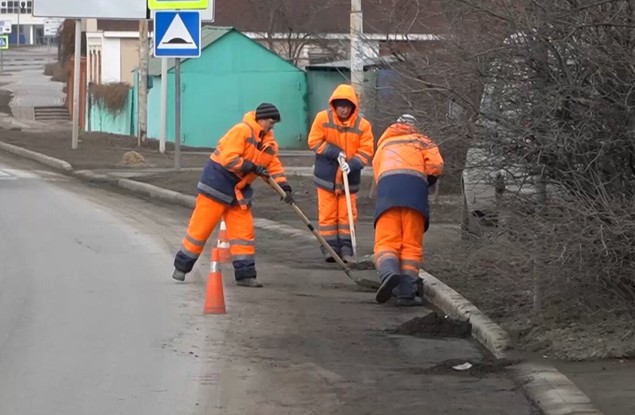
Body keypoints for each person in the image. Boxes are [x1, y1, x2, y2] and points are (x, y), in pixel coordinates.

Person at [171, 103, 294, 287]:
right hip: (217, 184)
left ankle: (245, 275)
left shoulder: (269, 144)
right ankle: (181, 267)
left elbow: (273, 166)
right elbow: (228, 158)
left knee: (243, 233)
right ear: (261, 119)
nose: (272, 126)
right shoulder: (241, 131)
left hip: (239, 191)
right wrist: (250, 166)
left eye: (274, 123)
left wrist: (285, 188)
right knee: (199, 229)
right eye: (271, 121)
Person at [372, 114, 444, 306]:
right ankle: (406, 294)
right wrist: (426, 183)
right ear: (415, 127)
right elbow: (436, 166)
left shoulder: (384, 145)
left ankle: (388, 273)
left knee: (387, 241)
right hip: (414, 196)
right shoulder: (423, 141)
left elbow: (377, 172)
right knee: (410, 246)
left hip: (388, 196)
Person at [307, 84, 374, 263]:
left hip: (349, 178)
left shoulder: (363, 125)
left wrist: (352, 164)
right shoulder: (323, 118)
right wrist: (335, 152)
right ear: (334, 105)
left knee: (347, 215)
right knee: (328, 215)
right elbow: (314, 142)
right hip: (326, 176)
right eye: (340, 105)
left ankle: (347, 249)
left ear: (353, 106)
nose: (344, 109)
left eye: (347, 106)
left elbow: (366, 151)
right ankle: (330, 249)